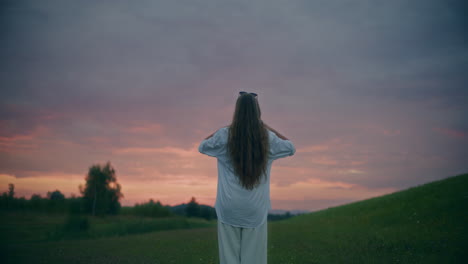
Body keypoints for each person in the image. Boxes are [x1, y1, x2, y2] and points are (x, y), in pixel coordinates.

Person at [198, 91, 296, 264]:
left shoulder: (225, 135)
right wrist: (265, 127)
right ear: (258, 112)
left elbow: (202, 146)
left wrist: (231, 126)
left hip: (228, 208)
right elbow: (290, 147)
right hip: (254, 210)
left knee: (229, 259)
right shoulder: (267, 137)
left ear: (236, 111)